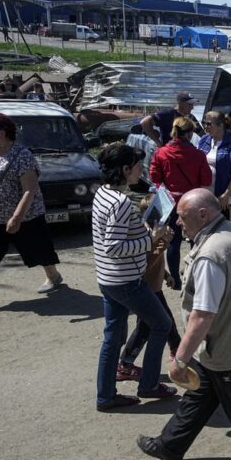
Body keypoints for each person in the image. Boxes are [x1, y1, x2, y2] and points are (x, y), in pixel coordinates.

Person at [136, 189, 231, 460]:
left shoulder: (210, 256)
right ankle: (170, 446)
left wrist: (179, 359)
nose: (178, 223)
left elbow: (202, 316)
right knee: (201, 393)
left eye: (182, 217)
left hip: (227, 345)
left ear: (203, 214)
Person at [92, 142, 177, 411]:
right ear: (125, 169)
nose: (142, 169)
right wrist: (151, 239)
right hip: (125, 280)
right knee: (161, 324)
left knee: (113, 338)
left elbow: (115, 238)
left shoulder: (103, 194)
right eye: (137, 165)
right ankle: (149, 385)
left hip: (109, 279)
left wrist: (146, 233)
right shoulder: (120, 203)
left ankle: (106, 396)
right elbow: (114, 247)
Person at [0, 113, 62, 313]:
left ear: (2, 133)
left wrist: (16, 218)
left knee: (38, 251)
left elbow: (30, 190)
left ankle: (53, 276)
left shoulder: (23, 155)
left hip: (25, 216)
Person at [116, 194, 182, 381]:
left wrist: (167, 275)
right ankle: (125, 364)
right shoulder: (146, 235)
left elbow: (157, 262)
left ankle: (177, 351)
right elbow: (145, 261)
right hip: (145, 289)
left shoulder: (157, 233)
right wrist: (162, 243)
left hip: (154, 287)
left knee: (163, 321)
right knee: (148, 327)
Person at [150, 117, 212, 290]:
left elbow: (154, 177)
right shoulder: (198, 155)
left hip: (170, 202)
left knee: (174, 241)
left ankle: (175, 279)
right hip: (192, 201)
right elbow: (206, 179)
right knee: (196, 240)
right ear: (191, 133)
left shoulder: (161, 152)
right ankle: (195, 276)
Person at [197, 111, 231, 214]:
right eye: (205, 123)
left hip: (220, 197)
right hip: (203, 195)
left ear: (221, 125)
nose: (206, 126)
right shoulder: (203, 140)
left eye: (209, 124)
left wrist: (226, 195)